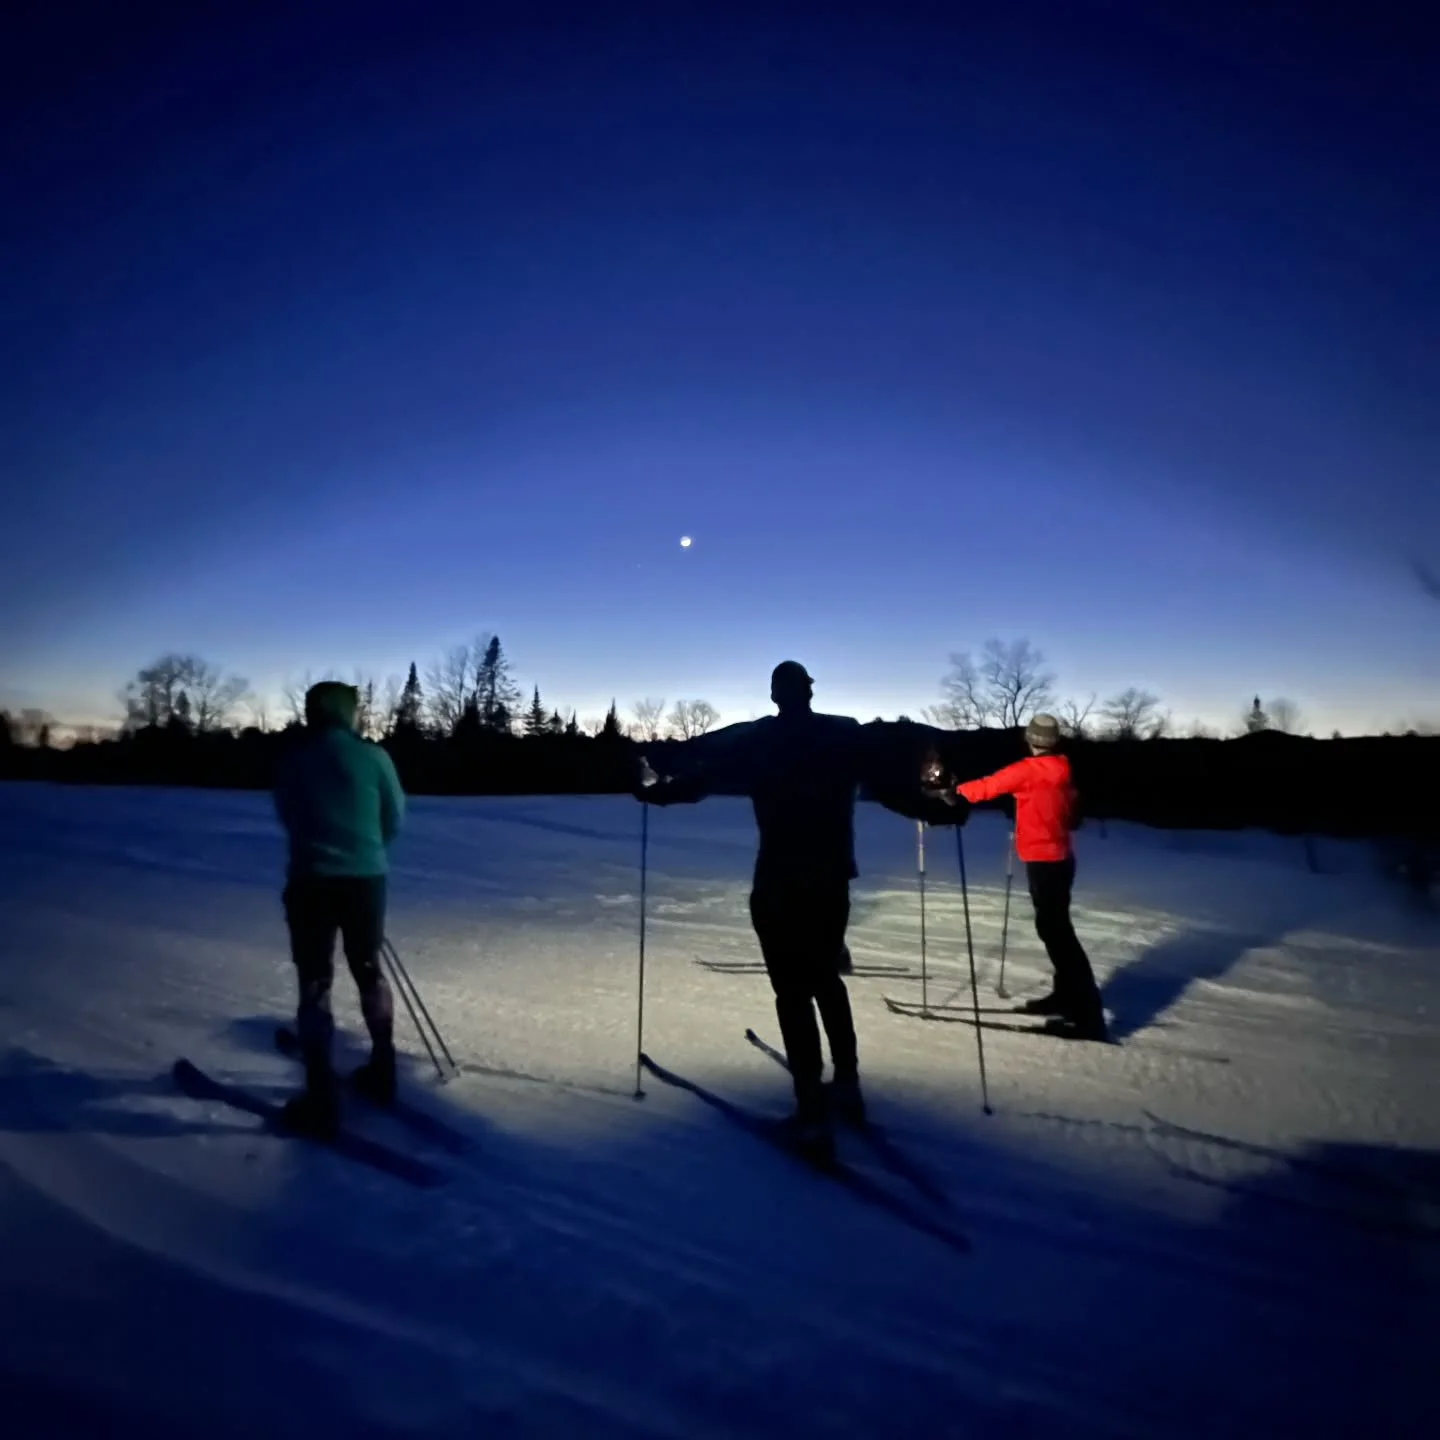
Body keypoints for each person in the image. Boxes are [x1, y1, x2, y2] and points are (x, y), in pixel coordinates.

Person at [634, 661, 966, 1157]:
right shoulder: (844, 736)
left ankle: (811, 1111)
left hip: (779, 880)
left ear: (776, 696)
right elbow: (890, 790)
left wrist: (656, 793)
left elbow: (706, 779)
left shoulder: (761, 740)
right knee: (826, 980)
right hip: (831, 880)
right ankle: (847, 1084)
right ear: (809, 693)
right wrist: (941, 810)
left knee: (792, 992)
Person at [272, 681, 407, 1135]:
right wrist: (364, 847)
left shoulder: (294, 759)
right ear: (350, 713)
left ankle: (320, 1095)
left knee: (314, 979)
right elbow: (394, 817)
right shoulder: (374, 757)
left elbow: (288, 814)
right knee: (369, 969)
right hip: (365, 880)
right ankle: (383, 1068)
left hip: (311, 879)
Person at [953, 713, 1107, 1040]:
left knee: (1058, 935)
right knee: (1054, 929)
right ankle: (1066, 996)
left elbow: (988, 787)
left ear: (1031, 739)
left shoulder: (1029, 770)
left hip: (1044, 861)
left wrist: (953, 791)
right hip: (1060, 859)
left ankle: (1088, 1015)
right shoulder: (1063, 768)